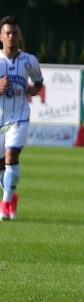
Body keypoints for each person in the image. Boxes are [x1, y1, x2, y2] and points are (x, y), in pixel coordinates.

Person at [0, 17, 44, 220]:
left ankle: (5, 203)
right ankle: (11, 195)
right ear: (1, 36)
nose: (11, 36)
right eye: (7, 33)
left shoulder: (29, 60)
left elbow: (38, 82)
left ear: (21, 36)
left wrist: (32, 89)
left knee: (11, 157)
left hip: (19, 117)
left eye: (15, 33)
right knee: (2, 166)